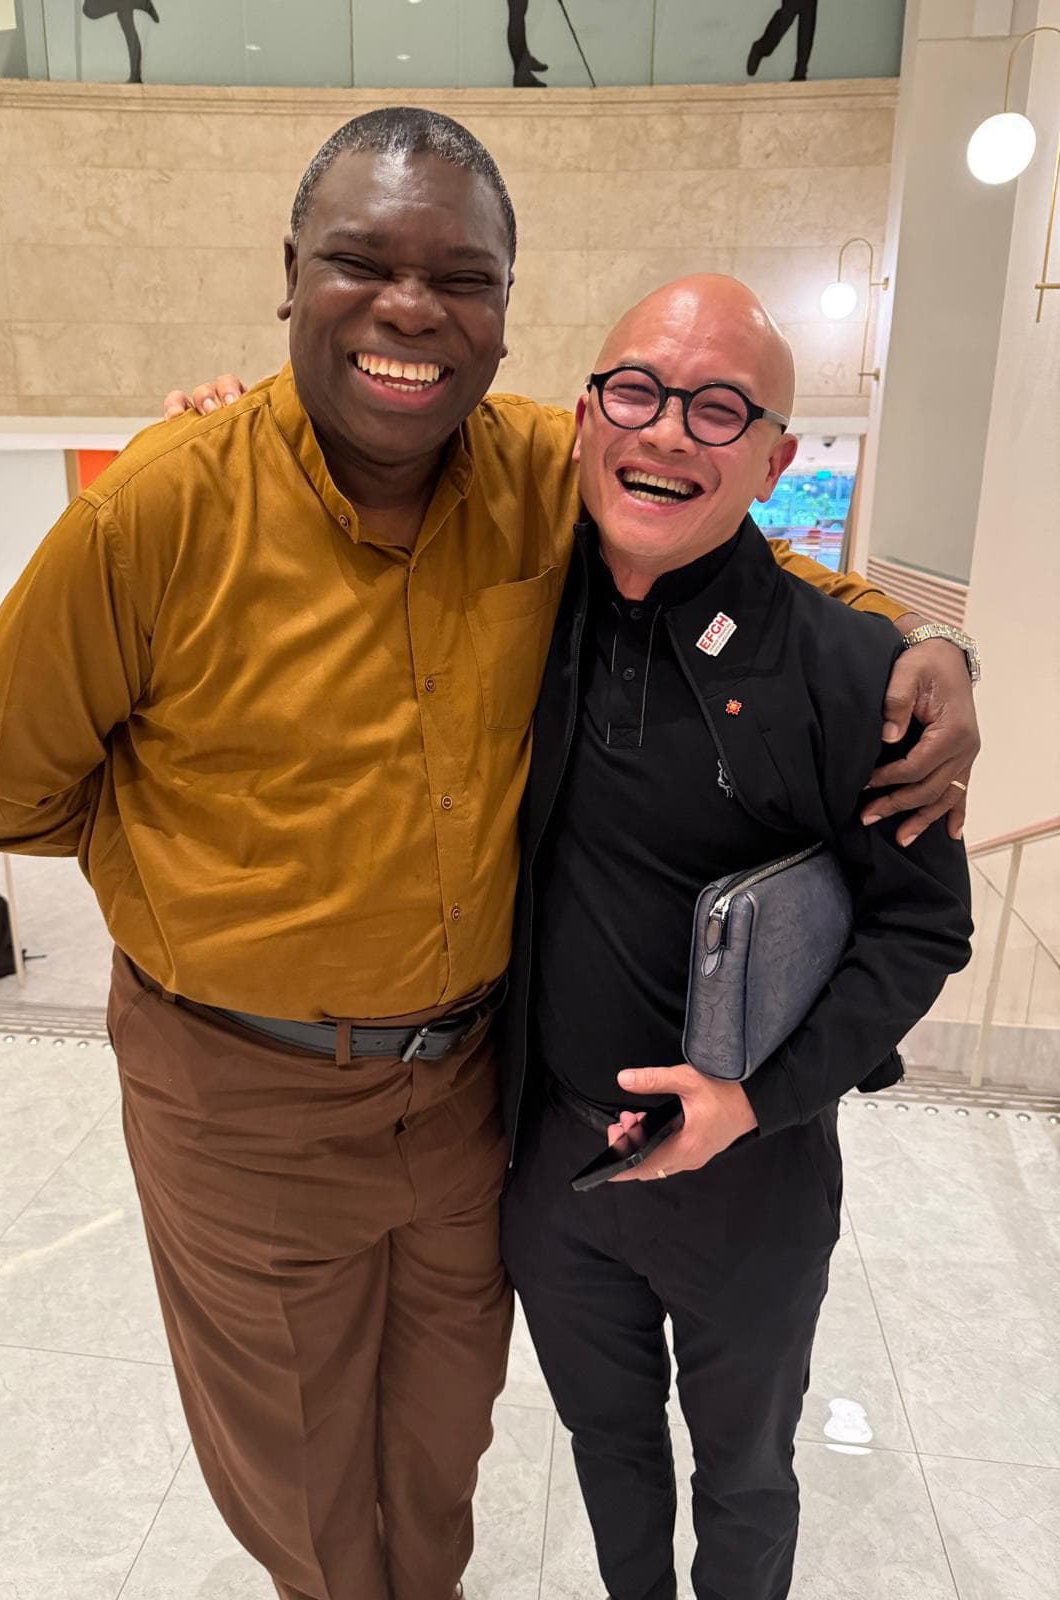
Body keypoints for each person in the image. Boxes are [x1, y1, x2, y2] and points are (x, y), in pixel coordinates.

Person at [0, 109, 978, 1600]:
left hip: (472, 1095)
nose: (411, 309)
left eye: (461, 279)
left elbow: (722, 523)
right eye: (361, 262)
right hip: (245, 1097)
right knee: (307, 1488)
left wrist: (932, 638)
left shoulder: (541, 466)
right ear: (290, 276)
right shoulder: (163, 507)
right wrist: (182, 848)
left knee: (437, 1453)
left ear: (500, 315)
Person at [497, 276, 972, 1600]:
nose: (666, 435)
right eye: (637, 392)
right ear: (584, 417)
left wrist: (756, 1101)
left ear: (773, 456)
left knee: (748, 1474)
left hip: (752, 1189)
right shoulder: (512, 618)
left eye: (719, 409)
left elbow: (924, 928)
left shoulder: (850, 673)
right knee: (605, 1442)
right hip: (551, 1171)